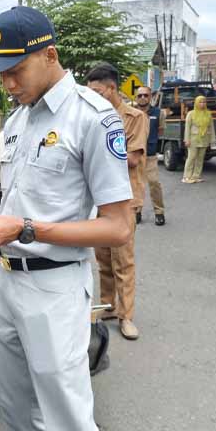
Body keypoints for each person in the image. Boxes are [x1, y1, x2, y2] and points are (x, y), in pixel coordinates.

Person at [0, 6, 133, 431]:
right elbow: (17, 203)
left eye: (15, 71)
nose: (8, 84)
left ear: (50, 55)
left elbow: (117, 227)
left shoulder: (92, 118)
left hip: (54, 289)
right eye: (1, 76)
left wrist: (27, 230)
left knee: (67, 422)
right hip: (6, 283)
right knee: (17, 416)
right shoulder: (18, 119)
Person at [86, 63, 149, 340]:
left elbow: (134, 158)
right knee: (103, 259)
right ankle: (109, 306)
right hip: (98, 199)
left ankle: (127, 316)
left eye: (98, 91)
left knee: (123, 260)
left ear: (112, 89)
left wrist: (98, 153)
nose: (94, 96)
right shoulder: (92, 116)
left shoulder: (134, 117)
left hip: (124, 199)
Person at [135, 85, 166, 225]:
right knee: (136, 185)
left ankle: (159, 212)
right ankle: (137, 211)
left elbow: (160, 131)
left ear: (150, 97)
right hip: (134, 155)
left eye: (145, 95)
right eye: (139, 95)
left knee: (154, 183)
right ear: (136, 98)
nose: (142, 98)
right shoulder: (131, 112)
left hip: (150, 155)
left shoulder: (158, 113)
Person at [182, 95, 216, 183]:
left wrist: (212, 139)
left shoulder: (208, 113)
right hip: (193, 139)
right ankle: (187, 176)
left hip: (204, 139)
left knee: (200, 158)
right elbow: (187, 128)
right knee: (191, 157)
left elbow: (211, 127)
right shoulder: (191, 114)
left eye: (204, 102)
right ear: (196, 103)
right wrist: (187, 140)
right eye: (200, 102)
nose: (202, 104)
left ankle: (196, 176)